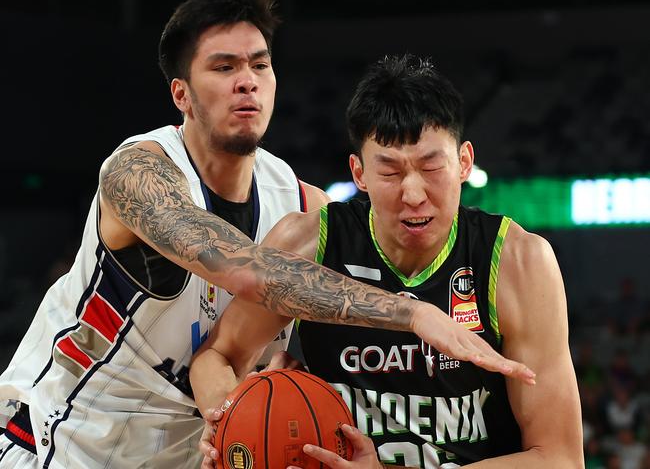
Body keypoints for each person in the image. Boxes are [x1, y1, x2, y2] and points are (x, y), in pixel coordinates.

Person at [0, 0, 533, 469]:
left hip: (186, 454)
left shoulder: (302, 206)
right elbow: (248, 272)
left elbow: (232, 356)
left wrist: (242, 404)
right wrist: (413, 313)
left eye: (260, 64)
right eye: (224, 67)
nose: (246, 81)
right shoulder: (139, 173)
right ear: (181, 94)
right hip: (61, 436)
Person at [192, 55, 582, 468]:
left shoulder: (517, 261)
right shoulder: (307, 245)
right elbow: (217, 356)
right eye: (391, 172)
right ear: (359, 172)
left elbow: (558, 457)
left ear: (464, 162)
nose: (413, 193)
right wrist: (229, 418)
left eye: (432, 166)